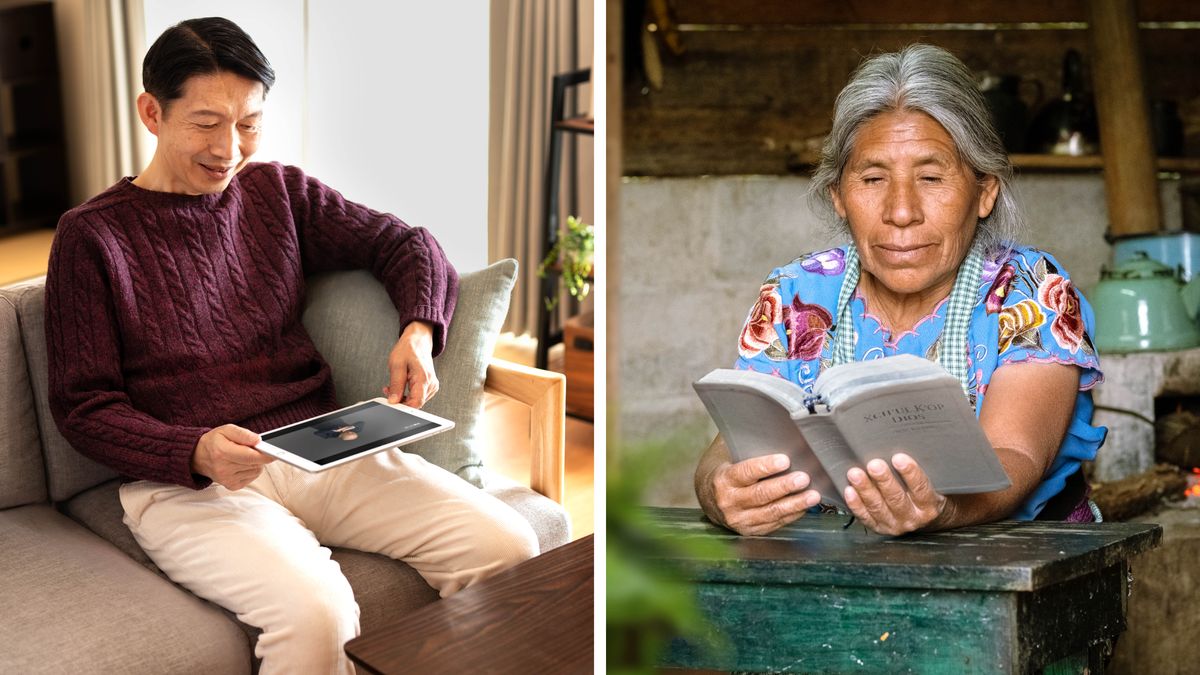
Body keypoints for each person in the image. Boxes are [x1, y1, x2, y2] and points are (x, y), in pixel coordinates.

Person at [44, 17, 537, 674]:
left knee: (509, 543)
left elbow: (407, 243)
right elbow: (83, 406)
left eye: (249, 122)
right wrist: (191, 449)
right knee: (317, 613)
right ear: (151, 112)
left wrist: (419, 330)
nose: (230, 147)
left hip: (323, 444)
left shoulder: (277, 191)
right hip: (188, 487)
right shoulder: (91, 237)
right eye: (207, 122)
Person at [694, 44, 1105, 537]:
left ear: (984, 192)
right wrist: (719, 490)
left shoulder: (1029, 291)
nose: (902, 212)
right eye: (872, 178)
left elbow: (1014, 456)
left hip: (1016, 569)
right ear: (839, 196)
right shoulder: (795, 293)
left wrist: (944, 510)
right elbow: (732, 442)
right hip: (839, 574)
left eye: (931, 177)